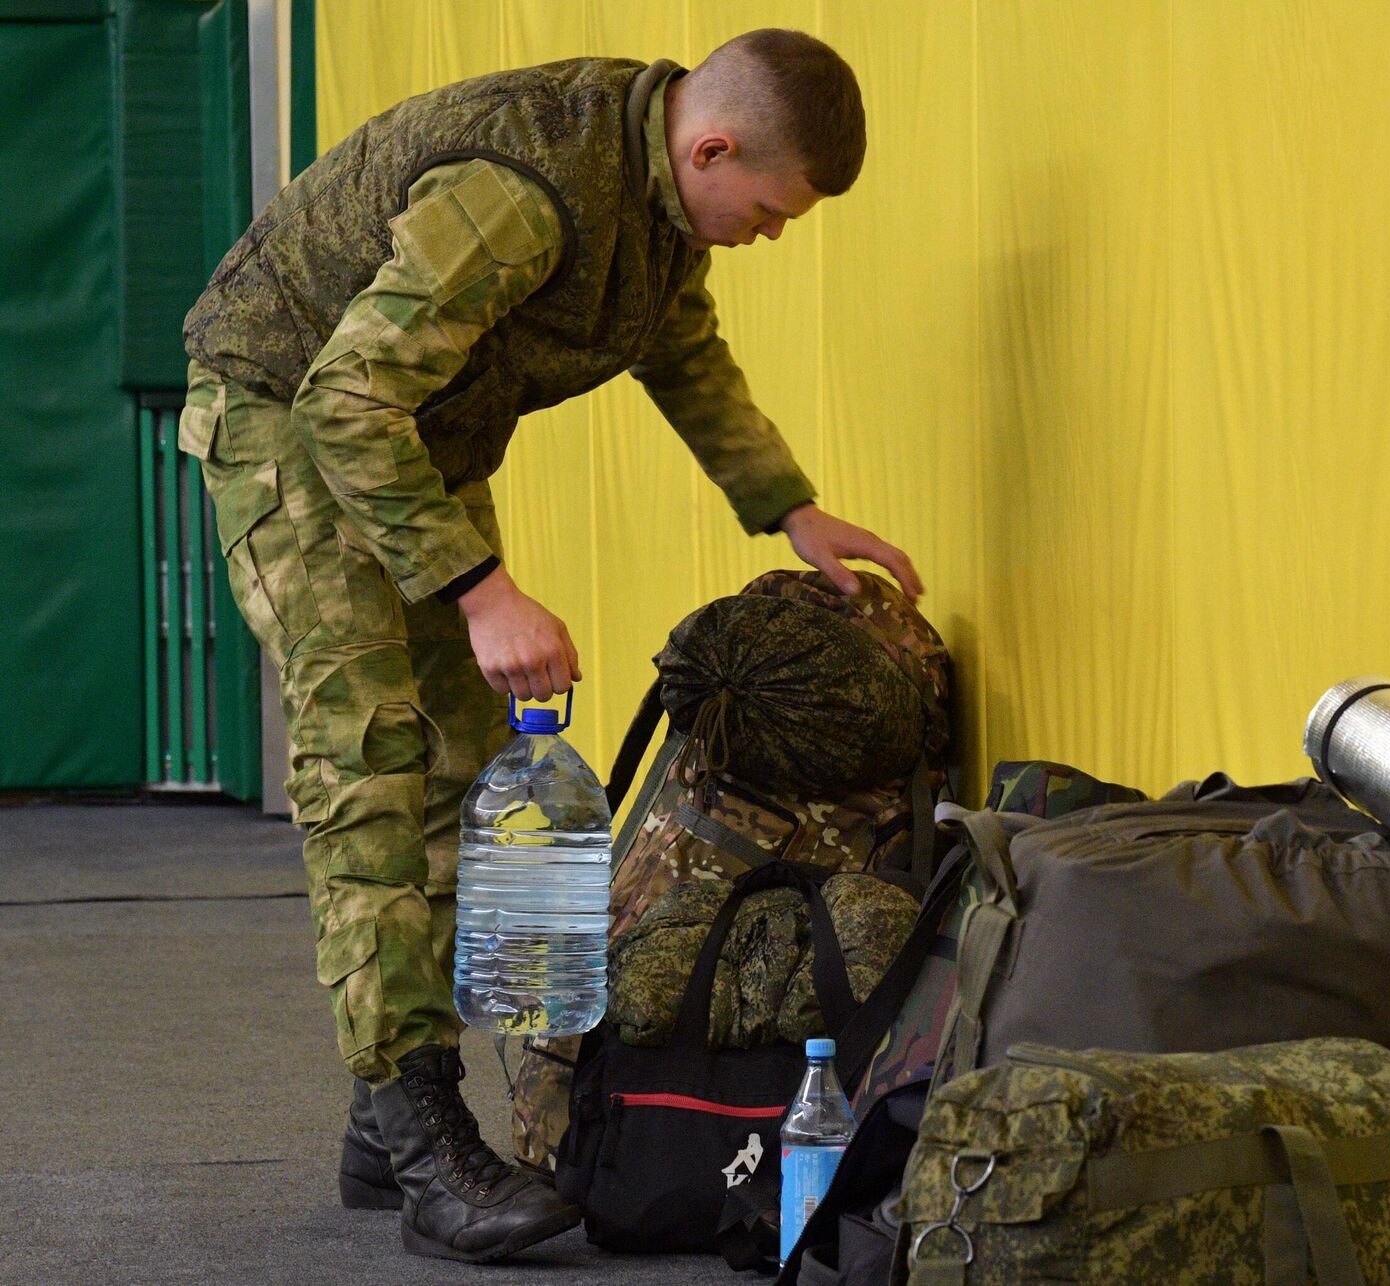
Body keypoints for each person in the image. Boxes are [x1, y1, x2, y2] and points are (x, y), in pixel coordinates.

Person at [180, 29, 919, 1263]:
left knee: (475, 776)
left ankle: (389, 1109)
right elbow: (344, 399)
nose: (772, 234)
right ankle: (421, 1138)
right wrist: (481, 591)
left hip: (424, 436)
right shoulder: (519, 192)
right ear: (713, 145)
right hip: (287, 409)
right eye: (773, 210)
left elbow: (677, 349)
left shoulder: (661, 200)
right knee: (369, 761)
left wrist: (789, 504)